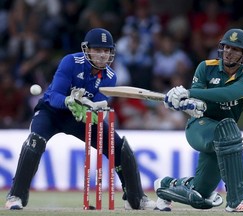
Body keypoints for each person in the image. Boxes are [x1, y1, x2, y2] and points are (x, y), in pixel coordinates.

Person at [5, 28, 155, 210]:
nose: (102, 55)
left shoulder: (110, 77)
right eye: (98, 50)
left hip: (80, 118)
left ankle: (136, 198)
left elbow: (99, 105)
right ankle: (16, 196)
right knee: (34, 142)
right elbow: (54, 96)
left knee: (118, 146)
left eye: (106, 51)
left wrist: (91, 112)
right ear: (87, 49)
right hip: (51, 113)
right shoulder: (70, 62)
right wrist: (70, 101)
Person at [153, 28, 243, 213]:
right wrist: (186, 102)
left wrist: (189, 93)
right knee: (228, 130)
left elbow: (228, 94)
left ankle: (165, 186)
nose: (228, 51)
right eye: (226, 47)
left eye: (235, 49)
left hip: (223, 140)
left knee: (201, 193)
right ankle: (237, 200)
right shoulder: (206, 67)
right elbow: (197, 101)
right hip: (199, 127)